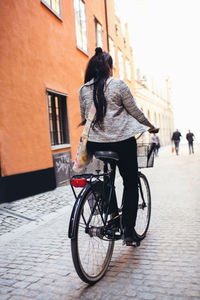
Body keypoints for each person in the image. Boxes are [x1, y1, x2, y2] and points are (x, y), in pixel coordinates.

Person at [78, 47, 158, 245]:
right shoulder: (119, 85)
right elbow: (135, 111)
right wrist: (150, 126)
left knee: (107, 179)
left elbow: (84, 118)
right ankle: (129, 232)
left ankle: (112, 216)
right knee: (130, 182)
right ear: (109, 67)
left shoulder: (83, 90)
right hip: (122, 142)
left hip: (96, 145)